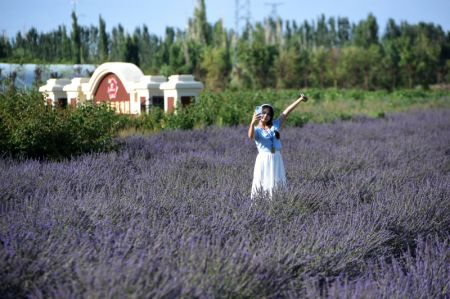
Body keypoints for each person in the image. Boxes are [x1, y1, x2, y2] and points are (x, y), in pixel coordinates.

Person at [248, 94, 308, 199]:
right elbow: (250, 136)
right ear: (259, 114)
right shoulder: (256, 129)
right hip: (264, 159)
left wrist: (300, 99)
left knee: (277, 181)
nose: (266, 116)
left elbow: (287, 112)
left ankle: (277, 202)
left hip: (276, 157)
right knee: (263, 181)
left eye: (268, 114)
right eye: (263, 113)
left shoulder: (275, 124)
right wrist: (252, 123)